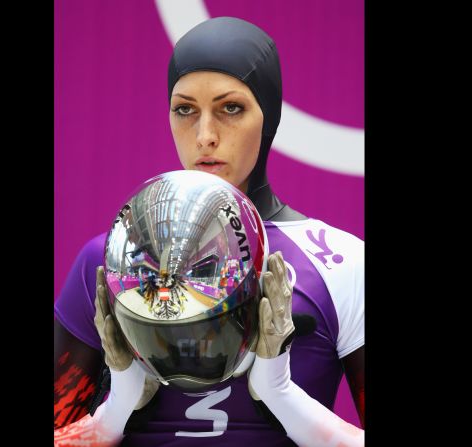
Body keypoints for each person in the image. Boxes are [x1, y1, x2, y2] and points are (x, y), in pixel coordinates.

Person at [54, 17, 364, 446]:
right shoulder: (106, 258)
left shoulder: (344, 264)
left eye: (230, 108)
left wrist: (282, 395)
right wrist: (118, 407)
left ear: (269, 115)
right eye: (185, 110)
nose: (205, 136)